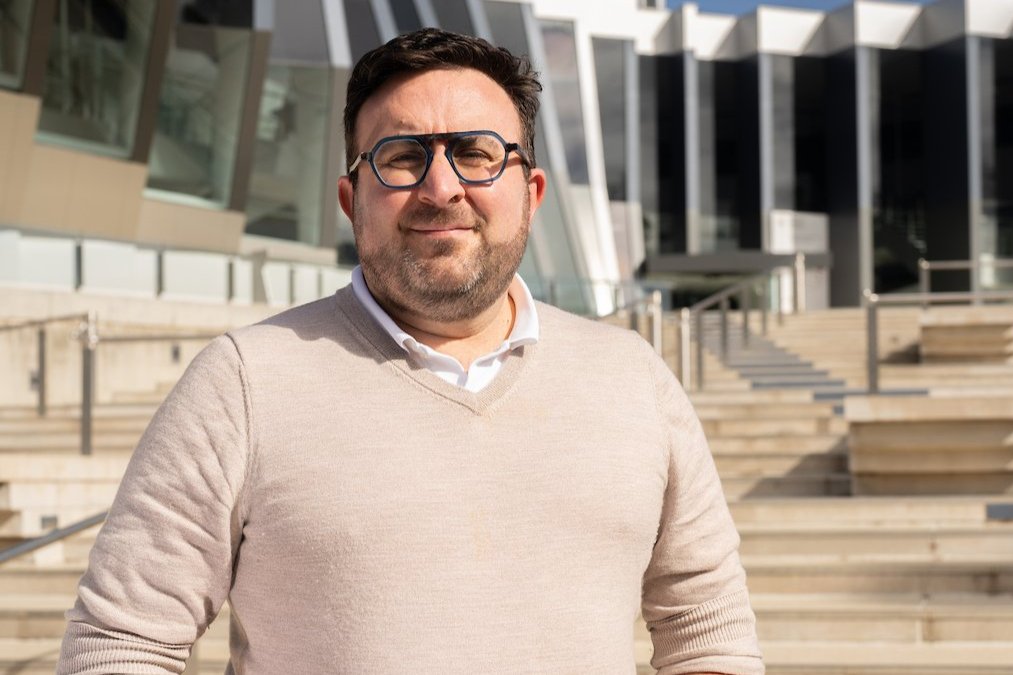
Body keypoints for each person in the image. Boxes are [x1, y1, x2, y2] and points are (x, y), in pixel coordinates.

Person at [57, 28, 762, 674]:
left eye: (477, 154)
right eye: (402, 158)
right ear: (349, 198)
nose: (441, 187)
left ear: (532, 192)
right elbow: (123, 643)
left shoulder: (633, 379)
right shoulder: (244, 381)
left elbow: (709, 631)